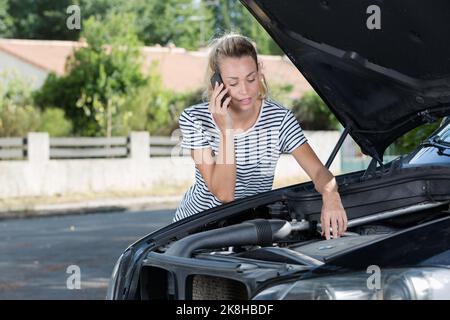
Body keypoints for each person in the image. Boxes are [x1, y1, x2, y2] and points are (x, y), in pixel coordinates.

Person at [173, 32, 347, 240]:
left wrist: (331, 195)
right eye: (233, 82)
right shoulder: (195, 119)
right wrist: (226, 131)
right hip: (196, 229)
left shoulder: (279, 119)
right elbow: (224, 193)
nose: (245, 90)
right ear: (216, 82)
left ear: (259, 72)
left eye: (251, 78)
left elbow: (319, 172)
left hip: (247, 227)